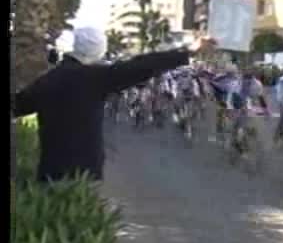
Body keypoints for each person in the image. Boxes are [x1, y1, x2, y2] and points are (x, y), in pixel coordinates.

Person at [14, 27, 197, 182]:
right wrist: (185, 54)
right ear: (98, 50)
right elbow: (141, 66)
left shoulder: (48, 80)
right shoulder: (96, 78)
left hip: (51, 170)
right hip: (85, 171)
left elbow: (18, 105)